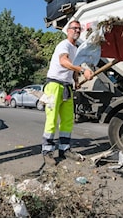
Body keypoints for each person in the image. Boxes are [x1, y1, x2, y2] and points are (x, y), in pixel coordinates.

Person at [41, 20, 93, 166]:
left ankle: (65, 149)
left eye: (79, 29)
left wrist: (76, 80)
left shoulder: (76, 49)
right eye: (74, 28)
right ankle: (47, 151)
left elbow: (72, 67)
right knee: (51, 120)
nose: (77, 30)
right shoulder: (64, 45)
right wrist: (82, 70)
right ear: (68, 30)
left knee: (68, 120)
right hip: (54, 85)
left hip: (67, 86)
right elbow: (64, 61)